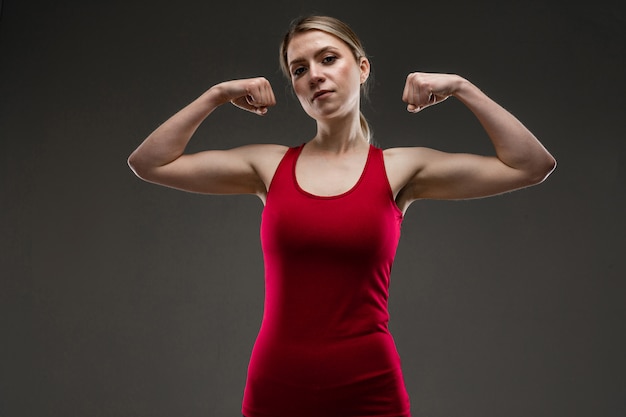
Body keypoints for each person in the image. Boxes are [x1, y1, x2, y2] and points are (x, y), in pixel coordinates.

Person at [128, 15, 556, 417]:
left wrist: (462, 87)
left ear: (363, 67)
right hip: (277, 387)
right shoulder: (268, 166)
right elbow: (150, 163)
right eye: (298, 69)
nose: (314, 74)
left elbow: (531, 165)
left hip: (370, 390)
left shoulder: (399, 169)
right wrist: (216, 95)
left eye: (328, 59)